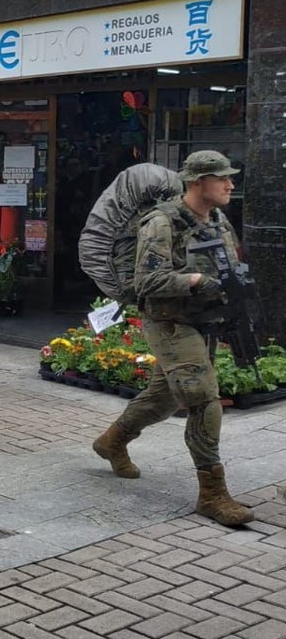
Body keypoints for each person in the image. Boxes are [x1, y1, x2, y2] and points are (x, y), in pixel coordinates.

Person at [91, 150, 253, 527]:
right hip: (169, 321)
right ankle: (212, 494)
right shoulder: (161, 222)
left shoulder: (218, 220)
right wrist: (194, 281)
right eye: (222, 178)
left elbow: (228, 265)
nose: (230, 184)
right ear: (198, 183)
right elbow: (147, 281)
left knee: (162, 399)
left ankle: (112, 441)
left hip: (204, 320)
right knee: (203, 399)